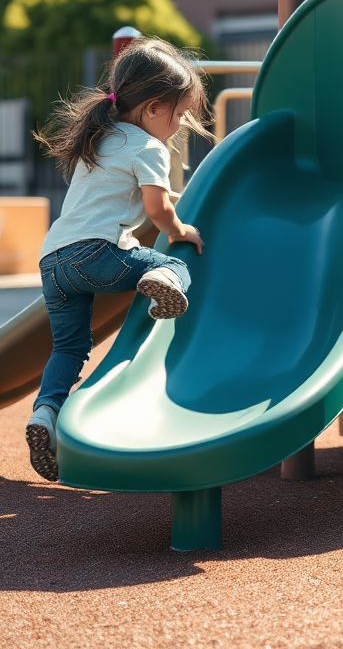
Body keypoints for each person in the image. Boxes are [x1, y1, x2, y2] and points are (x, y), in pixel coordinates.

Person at [25, 38, 210, 482]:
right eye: (179, 113)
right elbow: (157, 211)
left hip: (53, 262)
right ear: (151, 109)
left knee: (69, 348)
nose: (181, 123)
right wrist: (182, 232)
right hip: (96, 254)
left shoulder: (101, 136)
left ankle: (45, 413)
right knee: (175, 263)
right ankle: (162, 279)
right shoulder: (148, 147)